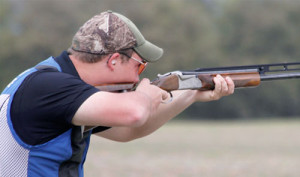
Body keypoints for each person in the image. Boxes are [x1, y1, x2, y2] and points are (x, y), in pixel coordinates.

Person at [0, 10, 234, 177]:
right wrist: (144, 92)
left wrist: (191, 94)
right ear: (113, 60)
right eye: (139, 67)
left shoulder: (52, 80)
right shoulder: (50, 86)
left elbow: (127, 131)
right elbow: (134, 114)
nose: (136, 78)